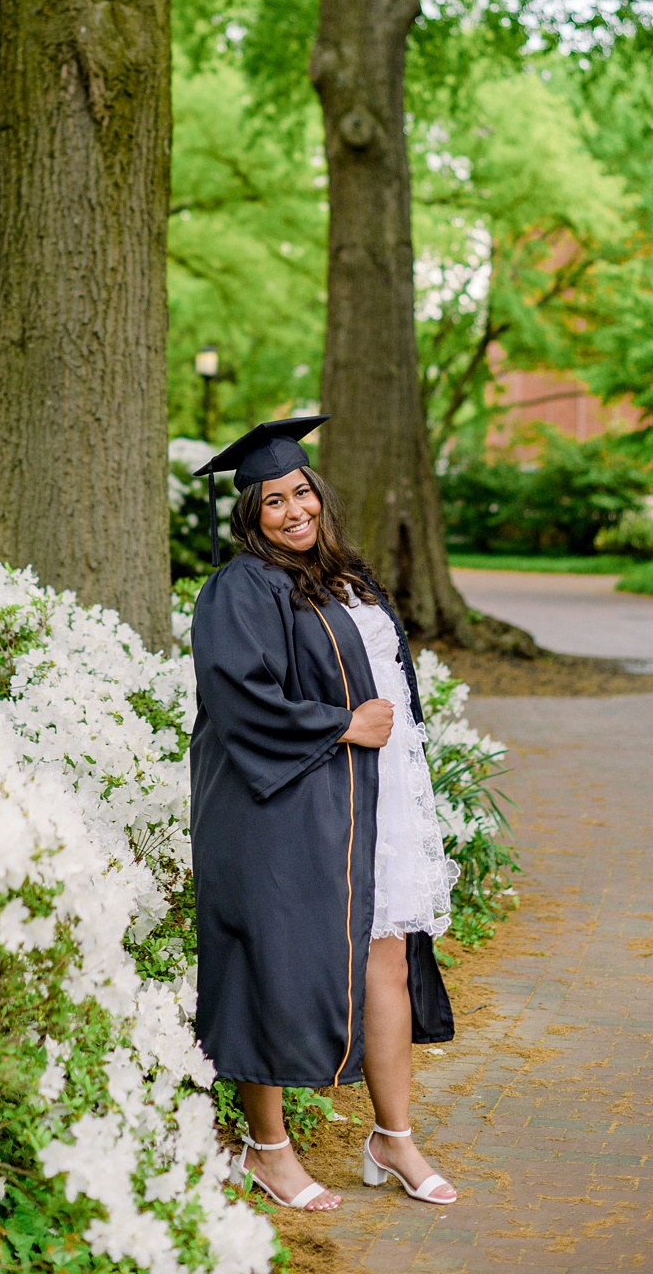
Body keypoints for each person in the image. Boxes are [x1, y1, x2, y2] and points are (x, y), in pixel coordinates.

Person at [187, 417, 459, 1213]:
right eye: (272, 500)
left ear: (320, 496)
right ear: (251, 516)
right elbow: (236, 693)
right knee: (268, 959)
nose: (292, 509)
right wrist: (340, 725)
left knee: (385, 955)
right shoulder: (244, 585)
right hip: (285, 802)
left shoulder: (348, 578)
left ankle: (393, 1138)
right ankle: (266, 1150)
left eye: (300, 491)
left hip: (372, 796)